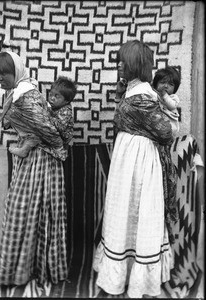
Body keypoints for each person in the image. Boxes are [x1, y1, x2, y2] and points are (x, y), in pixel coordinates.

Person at [93, 40, 178, 298]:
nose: (119, 65)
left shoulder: (142, 94)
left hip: (140, 160)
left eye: (123, 61)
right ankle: (126, 270)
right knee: (127, 209)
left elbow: (167, 132)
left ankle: (138, 278)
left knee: (138, 208)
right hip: (128, 158)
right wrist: (120, 97)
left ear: (135, 65)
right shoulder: (133, 90)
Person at [0, 51, 71, 286]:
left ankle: (28, 271)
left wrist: (36, 141)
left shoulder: (27, 96)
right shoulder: (17, 93)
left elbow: (52, 134)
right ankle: (21, 271)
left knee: (31, 211)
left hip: (41, 161)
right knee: (27, 212)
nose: (0, 78)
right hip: (31, 158)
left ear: (16, 71)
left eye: (4, 73)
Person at [9, 76, 76, 159]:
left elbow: (60, 127)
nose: (52, 98)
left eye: (57, 96)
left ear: (66, 101)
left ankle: (24, 150)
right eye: (51, 94)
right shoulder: (54, 106)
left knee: (37, 130)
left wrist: (46, 114)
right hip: (52, 132)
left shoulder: (66, 111)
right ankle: (25, 147)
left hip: (61, 139)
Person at [153, 66, 181, 137]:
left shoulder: (173, 97)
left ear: (175, 88)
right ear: (156, 84)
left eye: (170, 84)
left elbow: (172, 106)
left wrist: (165, 96)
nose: (166, 86)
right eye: (162, 82)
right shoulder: (154, 95)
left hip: (171, 126)